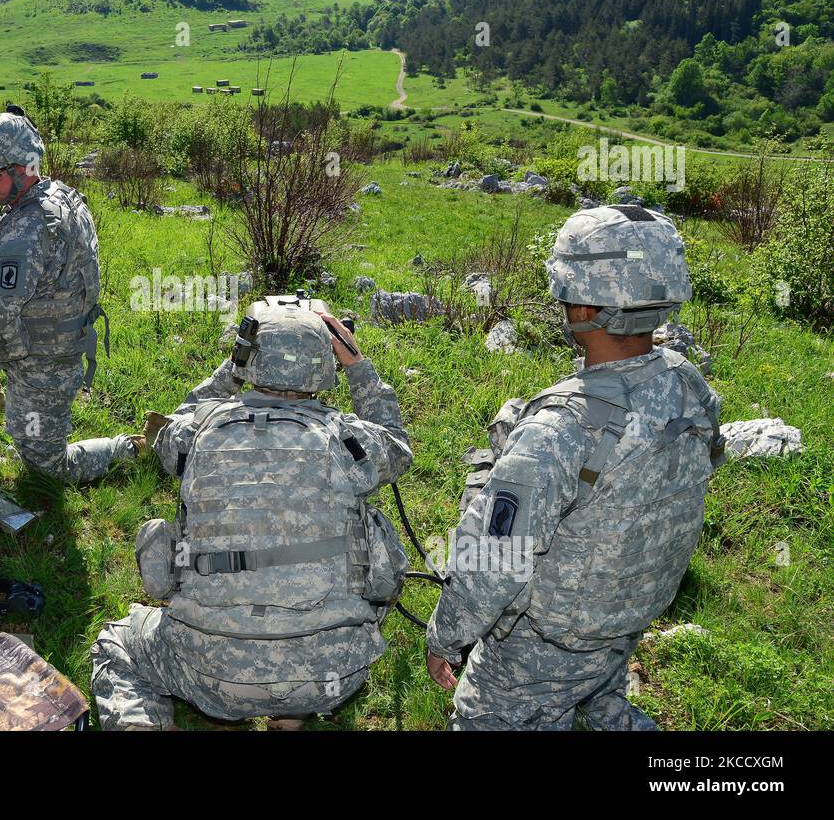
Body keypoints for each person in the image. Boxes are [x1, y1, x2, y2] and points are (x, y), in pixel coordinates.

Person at [425, 204, 723, 730]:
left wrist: (446, 636)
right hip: (623, 618)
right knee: (602, 701)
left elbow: (495, 559)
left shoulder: (559, 430)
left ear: (583, 307)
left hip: (542, 645)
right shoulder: (685, 383)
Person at [91, 297, 413, 729]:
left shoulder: (198, 432)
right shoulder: (348, 439)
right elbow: (397, 444)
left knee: (119, 643)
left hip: (208, 672)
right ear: (323, 364)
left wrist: (232, 368)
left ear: (249, 359)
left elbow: (177, 419)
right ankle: (290, 710)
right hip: (331, 670)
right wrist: (358, 365)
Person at [0, 108, 136, 485]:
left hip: (46, 361)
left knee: (47, 469)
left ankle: (132, 447)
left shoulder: (27, 229)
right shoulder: (56, 195)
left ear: (21, 169)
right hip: (37, 334)